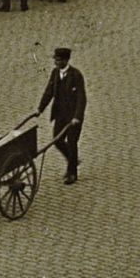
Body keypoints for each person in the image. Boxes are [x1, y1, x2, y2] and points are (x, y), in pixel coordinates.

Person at [37, 46, 88, 185]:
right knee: (57, 140)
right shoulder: (55, 73)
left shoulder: (76, 75)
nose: (56, 62)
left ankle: (72, 173)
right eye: (55, 60)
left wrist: (77, 117)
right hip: (60, 115)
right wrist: (40, 109)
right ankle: (73, 160)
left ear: (66, 60)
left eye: (59, 60)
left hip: (73, 118)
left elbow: (81, 98)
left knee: (72, 143)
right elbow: (49, 92)